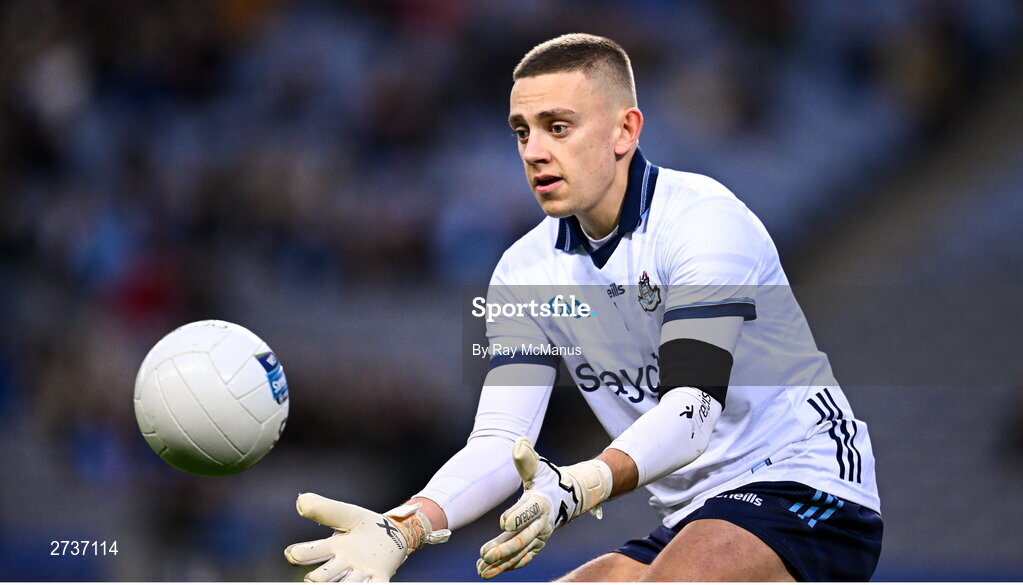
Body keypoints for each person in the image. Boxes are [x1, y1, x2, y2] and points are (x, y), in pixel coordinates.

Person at [284, 33, 882, 582]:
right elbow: (498, 443)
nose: (534, 151)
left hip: (804, 484)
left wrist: (581, 485)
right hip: (695, 514)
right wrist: (405, 526)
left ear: (625, 130)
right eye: (522, 131)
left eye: (558, 126)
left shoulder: (703, 222)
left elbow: (692, 410)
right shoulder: (522, 272)